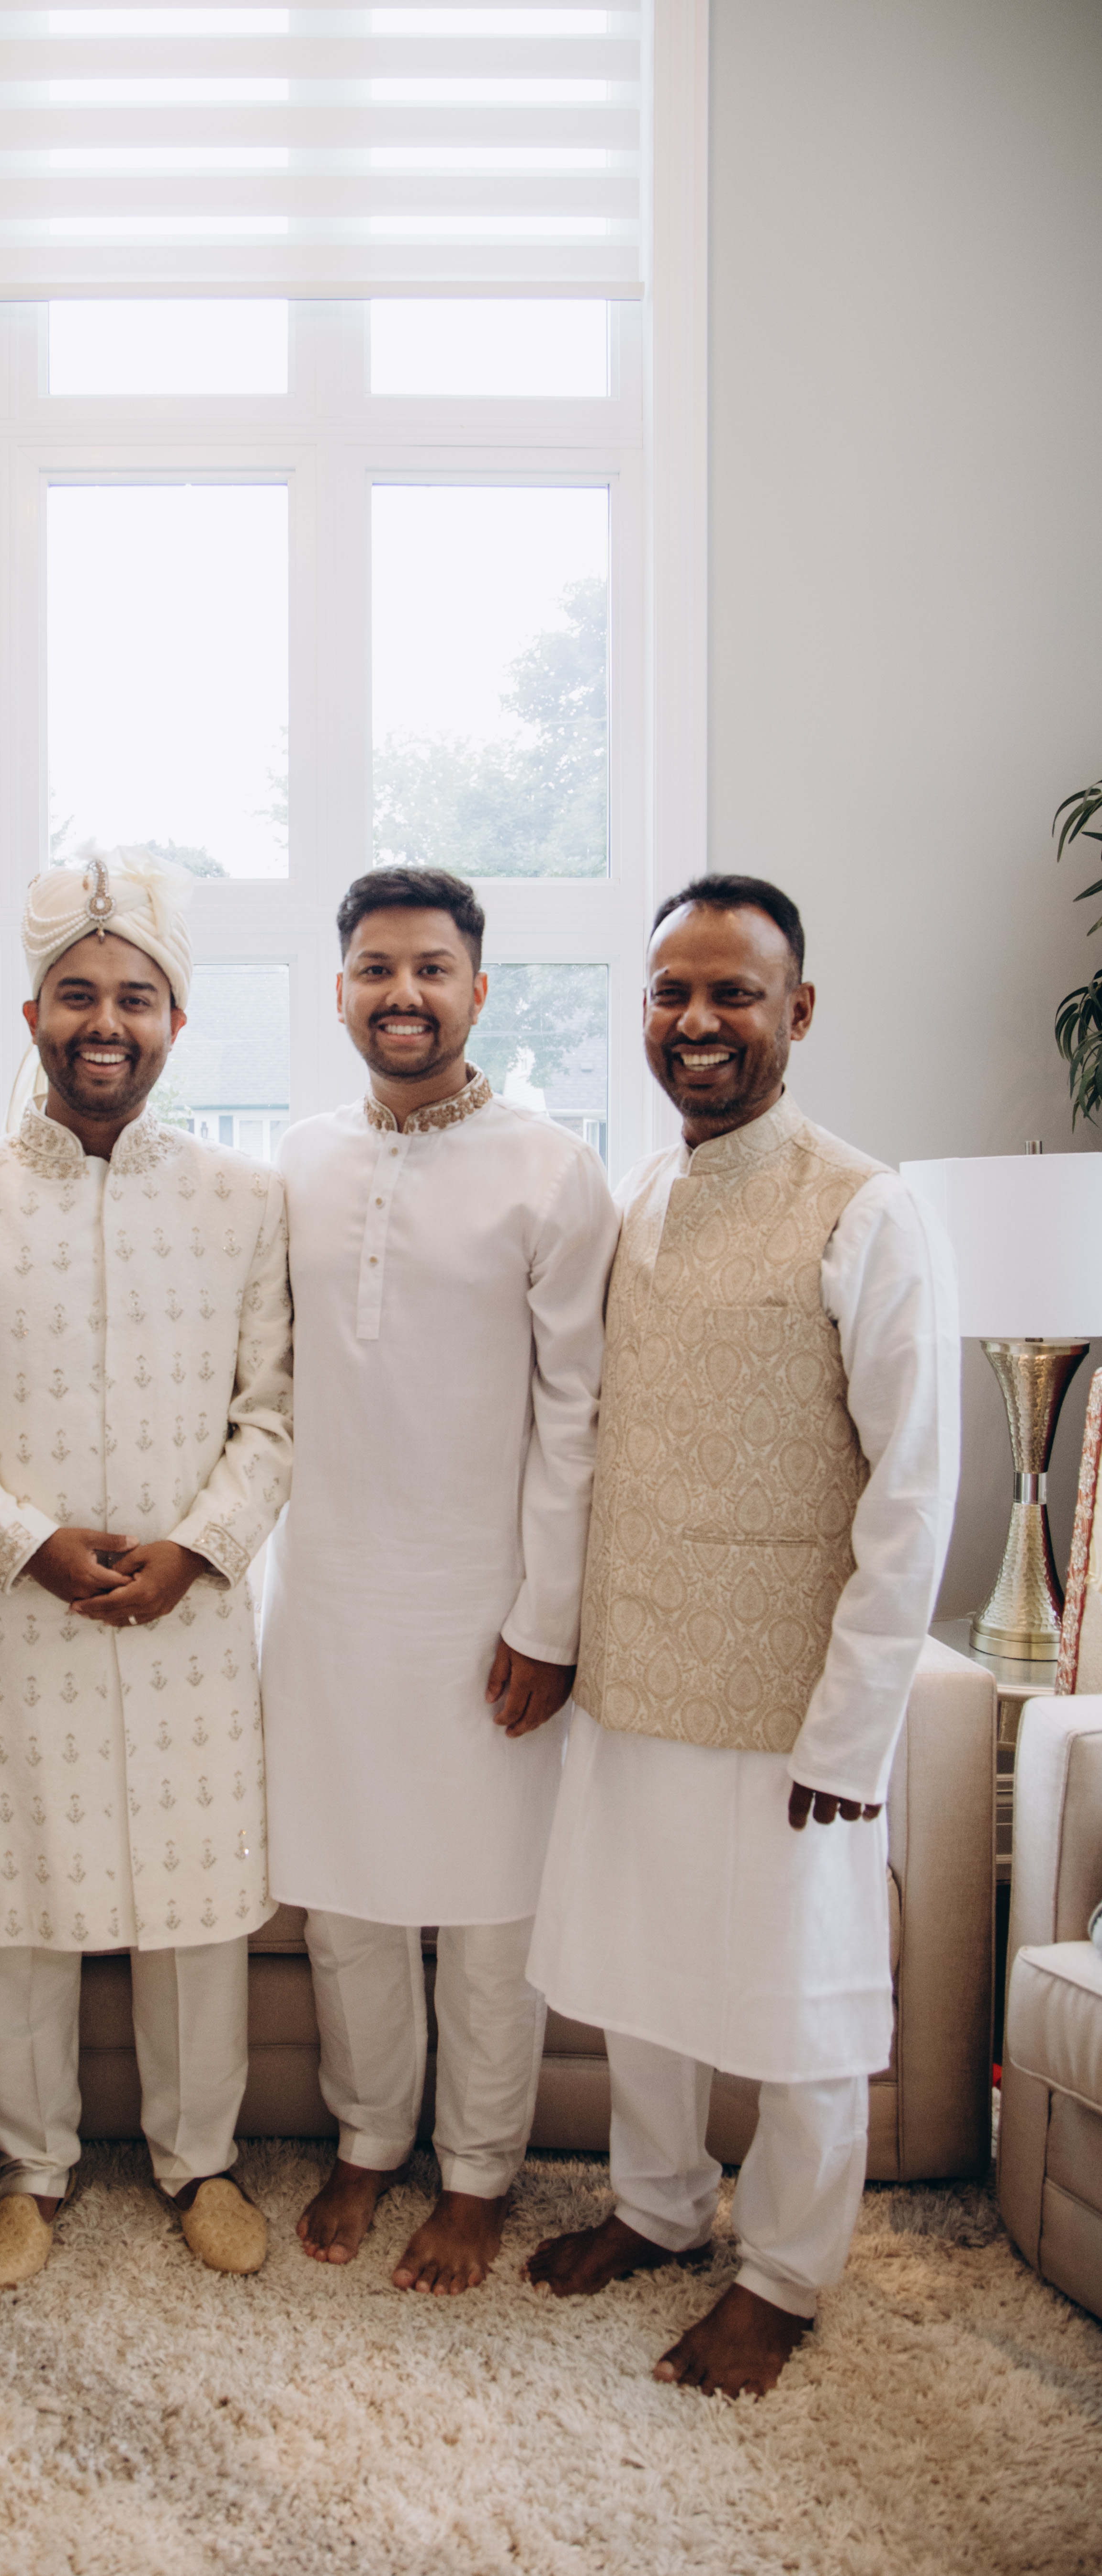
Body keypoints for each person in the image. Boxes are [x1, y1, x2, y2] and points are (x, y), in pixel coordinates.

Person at [525, 875, 959, 2396]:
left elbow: (914, 1492)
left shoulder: (867, 1206)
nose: (697, 1021)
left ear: (799, 1011)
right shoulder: (642, 1191)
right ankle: (656, 2205)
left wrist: (857, 1726)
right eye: (671, 993)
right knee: (642, 1966)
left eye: (733, 993)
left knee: (799, 1996)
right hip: (639, 1666)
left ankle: (783, 2272)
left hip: (791, 1692)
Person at [0, 847, 295, 2292]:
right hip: (19, 1612)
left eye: (136, 998)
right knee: (22, 1901)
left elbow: (273, 1412)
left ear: (176, 1021)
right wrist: (26, 1542)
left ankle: (201, 2159)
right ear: (33, 1015)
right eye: (77, 995)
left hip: (189, 1610)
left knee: (196, 1907)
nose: (105, 1023)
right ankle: (30, 2169)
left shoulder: (244, 1201)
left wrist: (199, 1549)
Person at [259, 866, 618, 2293]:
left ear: (478, 988)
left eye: (429, 969)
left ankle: (476, 2174)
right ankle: (367, 2137)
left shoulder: (552, 1168)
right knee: (346, 1902)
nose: (401, 993)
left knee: (487, 1908)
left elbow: (579, 1413)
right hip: (329, 1595)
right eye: (374, 968)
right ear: (340, 988)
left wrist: (550, 1617)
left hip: (489, 1604)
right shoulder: (294, 1162)